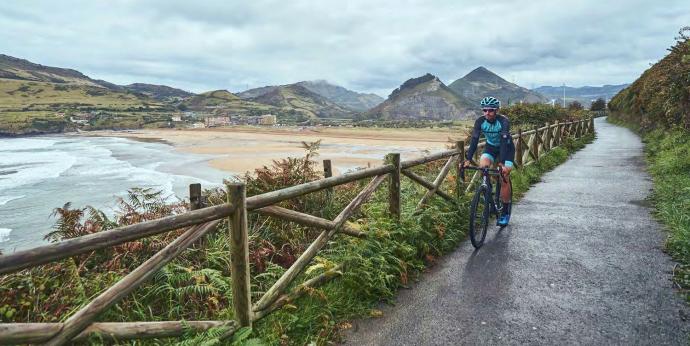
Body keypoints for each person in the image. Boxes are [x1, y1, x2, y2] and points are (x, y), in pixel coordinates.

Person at [462, 96, 515, 226]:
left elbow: (503, 142)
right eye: (484, 110)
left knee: (504, 177)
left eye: (490, 110)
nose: (487, 113)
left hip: (506, 149)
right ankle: (489, 196)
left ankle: (505, 212)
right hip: (490, 147)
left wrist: (502, 163)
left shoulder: (503, 121)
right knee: (483, 167)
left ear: (496, 110)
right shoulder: (480, 122)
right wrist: (468, 159)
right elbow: (474, 140)